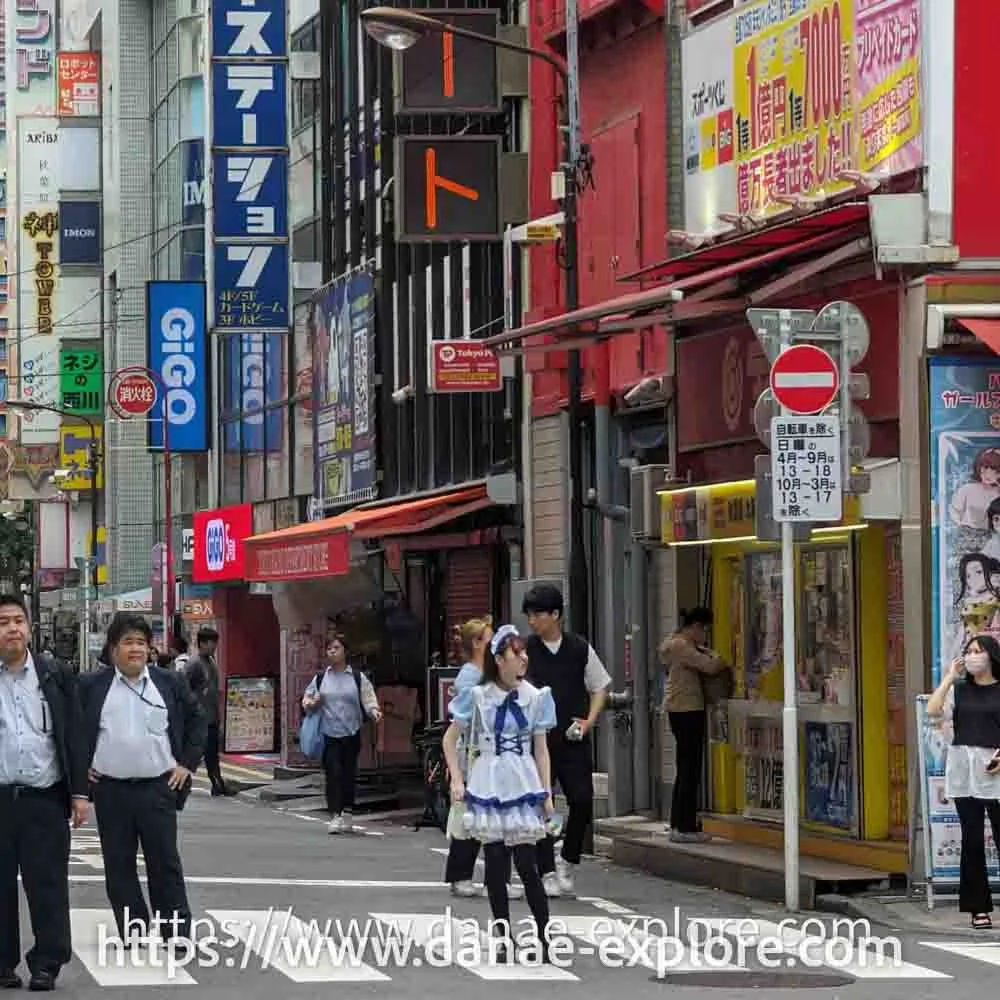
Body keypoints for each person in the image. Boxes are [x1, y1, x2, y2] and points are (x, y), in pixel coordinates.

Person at [79, 614, 207, 946]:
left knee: (164, 862)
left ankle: (175, 931)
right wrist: (82, 768)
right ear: (112, 649)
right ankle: (134, 930)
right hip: (110, 790)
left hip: (158, 788)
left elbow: (197, 722)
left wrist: (187, 765)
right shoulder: (92, 687)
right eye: (127, 642)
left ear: (149, 649)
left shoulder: (169, 683)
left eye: (140, 642)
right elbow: (73, 731)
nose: (135, 649)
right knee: (118, 866)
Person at [442, 625, 555, 962]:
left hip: (522, 781)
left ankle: (544, 935)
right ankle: (503, 936)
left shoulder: (536, 697)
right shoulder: (478, 695)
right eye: (515, 653)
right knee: (494, 862)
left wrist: (547, 792)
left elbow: (542, 749)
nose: (523, 659)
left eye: (524, 653)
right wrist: (457, 779)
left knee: (527, 863)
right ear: (499, 660)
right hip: (489, 778)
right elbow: (449, 740)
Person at [0, 593, 89, 992]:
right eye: (3, 622)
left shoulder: (54, 674)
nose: (12, 629)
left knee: (47, 882)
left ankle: (47, 961)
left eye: (18, 620)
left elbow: (74, 735)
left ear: (30, 627)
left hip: (44, 797)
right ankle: (2, 962)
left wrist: (80, 793)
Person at [521, 583, 610, 897]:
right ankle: (546, 869)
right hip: (538, 741)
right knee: (541, 805)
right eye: (529, 615)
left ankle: (567, 858)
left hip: (573, 738)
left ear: (556, 614)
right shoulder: (525, 651)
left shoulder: (579, 647)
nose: (532, 621)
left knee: (582, 800)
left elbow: (600, 686)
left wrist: (590, 721)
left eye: (538, 614)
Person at [928, 635, 1000, 928]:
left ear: (991, 656)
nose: (972, 657)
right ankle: (977, 908)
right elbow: (933, 711)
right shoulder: (958, 691)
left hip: (994, 769)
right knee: (971, 840)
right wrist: (948, 678)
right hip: (963, 769)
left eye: (977, 651)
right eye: (968, 652)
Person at [660, 607, 732, 843]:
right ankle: (684, 826)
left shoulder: (676, 645)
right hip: (687, 709)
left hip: (681, 709)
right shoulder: (682, 646)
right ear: (695, 627)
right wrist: (720, 657)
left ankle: (678, 824)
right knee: (689, 769)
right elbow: (711, 666)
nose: (705, 636)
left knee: (686, 768)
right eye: (704, 630)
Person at [302, 633, 382, 834]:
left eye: (336, 648)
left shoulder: (356, 677)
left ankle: (347, 811)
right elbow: (307, 700)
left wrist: (374, 711)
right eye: (329, 649)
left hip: (351, 732)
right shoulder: (321, 678)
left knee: (348, 774)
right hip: (329, 733)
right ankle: (335, 815)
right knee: (333, 774)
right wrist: (311, 703)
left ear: (345, 651)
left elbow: (368, 698)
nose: (332, 652)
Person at [184, 626, 230, 796]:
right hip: (200, 718)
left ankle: (217, 783)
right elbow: (183, 689)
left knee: (211, 753)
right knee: (197, 753)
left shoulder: (211, 662)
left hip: (211, 716)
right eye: (212, 643)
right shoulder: (194, 664)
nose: (215, 647)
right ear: (202, 643)